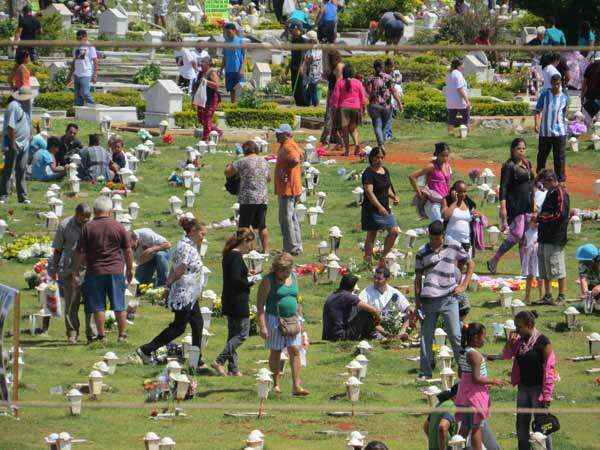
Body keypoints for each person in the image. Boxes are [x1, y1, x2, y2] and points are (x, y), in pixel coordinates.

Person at [137, 217, 208, 367]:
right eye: (202, 233)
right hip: (184, 294)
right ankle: (146, 350)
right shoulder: (186, 247)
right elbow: (180, 269)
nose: (204, 237)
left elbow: (173, 268)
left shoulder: (187, 244)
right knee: (178, 327)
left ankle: (197, 359)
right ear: (193, 231)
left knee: (198, 323)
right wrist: (168, 285)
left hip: (190, 294)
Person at [415, 221, 474, 379]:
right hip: (428, 299)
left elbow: (470, 263)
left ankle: (465, 372)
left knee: (455, 335)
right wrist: (417, 302)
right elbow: (418, 277)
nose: (434, 242)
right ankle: (425, 373)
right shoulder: (422, 252)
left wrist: (463, 285)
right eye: (432, 238)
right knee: (426, 337)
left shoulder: (453, 245)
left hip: (449, 297)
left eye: (437, 238)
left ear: (443, 236)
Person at [73, 196, 133, 343]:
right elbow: (128, 250)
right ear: (110, 211)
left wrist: (75, 270)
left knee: (98, 305)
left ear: (94, 210)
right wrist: (130, 269)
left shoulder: (88, 227)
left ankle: (101, 336)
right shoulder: (118, 226)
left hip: (95, 271)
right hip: (116, 270)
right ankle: (122, 335)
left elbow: (81, 252)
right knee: (119, 305)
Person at [502, 310, 556, 450]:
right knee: (521, 424)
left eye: (519, 327)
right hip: (523, 388)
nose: (516, 330)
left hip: (538, 390)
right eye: (516, 327)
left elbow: (550, 370)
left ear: (529, 325)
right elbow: (507, 356)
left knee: (542, 426)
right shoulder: (519, 342)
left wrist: (547, 394)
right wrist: (509, 343)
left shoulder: (543, 342)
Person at [257, 253, 308, 396]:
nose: (285, 274)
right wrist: (262, 325)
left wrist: (300, 318)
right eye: (281, 270)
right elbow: (260, 304)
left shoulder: (293, 277)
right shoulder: (268, 280)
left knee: (295, 350)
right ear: (275, 269)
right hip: (274, 319)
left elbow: (296, 299)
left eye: (287, 270)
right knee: (276, 351)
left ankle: (296, 385)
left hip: (292, 320)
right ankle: (276, 384)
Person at [212, 228, 257, 376]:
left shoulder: (229, 255)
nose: (251, 247)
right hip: (238, 300)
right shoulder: (236, 257)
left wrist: (247, 275)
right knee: (243, 334)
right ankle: (219, 361)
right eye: (250, 244)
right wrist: (252, 280)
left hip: (229, 299)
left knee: (232, 335)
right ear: (245, 241)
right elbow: (237, 281)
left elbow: (235, 276)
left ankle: (233, 369)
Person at [50, 203, 97, 344]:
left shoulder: (94, 224)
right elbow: (57, 249)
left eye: (89, 218)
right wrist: (54, 268)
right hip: (70, 270)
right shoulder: (65, 225)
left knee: (92, 303)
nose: (86, 220)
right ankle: (72, 333)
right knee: (71, 303)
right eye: (84, 218)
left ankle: (92, 334)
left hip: (90, 269)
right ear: (76, 214)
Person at [487, 138, 534, 274]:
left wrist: (534, 204)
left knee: (525, 238)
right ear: (513, 150)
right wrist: (503, 207)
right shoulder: (508, 166)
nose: (521, 151)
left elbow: (531, 185)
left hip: (527, 205)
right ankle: (494, 259)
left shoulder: (527, 163)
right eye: (519, 148)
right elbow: (504, 188)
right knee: (518, 233)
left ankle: (524, 269)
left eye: (523, 148)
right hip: (515, 204)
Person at [455, 323, 502, 450]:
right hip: (474, 395)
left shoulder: (464, 352)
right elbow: (476, 378)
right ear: (475, 337)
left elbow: (461, 374)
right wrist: (492, 381)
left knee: (465, 425)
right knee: (476, 427)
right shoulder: (474, 354)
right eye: (483, 336)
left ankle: (456, 446)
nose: (484, 339)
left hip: (464, 393)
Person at [225, 140, 271, 253]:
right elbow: (269, 178)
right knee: (262, 226)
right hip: (262, 198)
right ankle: (266, 250)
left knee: (244, 226)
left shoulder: (242, 161)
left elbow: (227, 172)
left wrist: (230, 165)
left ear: (245, 150)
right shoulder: (264, 161)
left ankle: (245, 249)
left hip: (247, 198)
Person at [536, 169, 570, 305]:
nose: (543, 186)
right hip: (544, 235)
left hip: (555, 236)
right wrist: (539, 218)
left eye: (544, 183)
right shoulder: (550, 192)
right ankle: (548, 295)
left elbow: (560, 214)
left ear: (551, 180)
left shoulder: (560, 193)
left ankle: (561, 295)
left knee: (557, 266)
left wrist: (542, 218)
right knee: (544, 266)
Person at [361, 147, 400, 265]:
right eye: (377, 157)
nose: (379, 160)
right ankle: (367, 261)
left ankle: (383, 257)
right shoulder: (368, 173)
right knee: (372, 235)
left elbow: (387, 188)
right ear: (372, 158)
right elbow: (369, 191)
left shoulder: (385, 171)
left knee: (394, 231)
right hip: (372, 209)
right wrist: (379, 207)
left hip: (385, 209)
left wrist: (394, 197)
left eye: (382, 157)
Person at [322, 274, 383, 341]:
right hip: (339, 336)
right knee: (365, 313)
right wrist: (378, 321)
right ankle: (372, 336)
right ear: (352, 287)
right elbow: (373, 310)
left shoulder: (333, 295)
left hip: (328, 336)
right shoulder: (347, 296)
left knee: (357, 309)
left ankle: (370, 335)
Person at [274, 124, 304, 256]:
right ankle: (296, 246)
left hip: (288, 188)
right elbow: (301, 154)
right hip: (290, 187)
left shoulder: (288, 145)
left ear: (286, 134)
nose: (276, 134)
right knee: (291, 218)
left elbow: (296, 159)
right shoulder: (289, 143)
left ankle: (290, 248)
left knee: (286, 218)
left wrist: (286, 170)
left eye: (279, 133)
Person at [534, 74, 569, 183]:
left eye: (558, 83)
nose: (557, 86)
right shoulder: (545, 95)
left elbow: (564, 113)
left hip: (559, 133)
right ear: (551, 84)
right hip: (545, 131)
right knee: (542, 156)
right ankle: (540, 178)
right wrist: (536, 124)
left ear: (561, 83)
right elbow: (538, 110)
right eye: (554, 84)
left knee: (559, 157)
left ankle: (560, 180)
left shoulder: (564, 98)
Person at [0, 87, 32, 204]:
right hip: (13, 143)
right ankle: (3, 195)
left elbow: (28, 122)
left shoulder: (26, 106)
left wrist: (30, 135)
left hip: (25, 143)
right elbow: (10, 127)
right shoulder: (13, 106)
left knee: (22, 169)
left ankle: (22, 197)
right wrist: (13, 144)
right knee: (8, 170)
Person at [358, 267, 411, 338]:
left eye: (379, 279)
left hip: (392, 321)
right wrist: (374, 310)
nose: (375, 280)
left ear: (387, 279)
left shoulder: (393, 292)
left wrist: (409, 311)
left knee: (408, 314)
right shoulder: (367, 291)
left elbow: (407, 307)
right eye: (375, 277)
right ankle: (387, 335)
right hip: (376, 322)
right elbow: (359, 303)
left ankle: (402, 332)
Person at [409, 143, 452, 223]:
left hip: (445, 201)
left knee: (445, 227)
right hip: (433, 202)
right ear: (437, 154)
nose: (445, 158)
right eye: (443, 156)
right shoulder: (431, 166)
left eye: (447, 156)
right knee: (438, 227)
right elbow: (412, 177)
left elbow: (448, 183)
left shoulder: (447, 165)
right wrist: (419, 194)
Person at [329, 64, 367, 156]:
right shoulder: (358, 82)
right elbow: (363, 97)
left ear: (344, 72)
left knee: (345, 130)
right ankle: (357, 144)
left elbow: (335, 97)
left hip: (344, 108)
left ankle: (347, 151)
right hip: (356, 107)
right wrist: (363, 109)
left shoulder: (340, 83)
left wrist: (333, 109)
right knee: (353, 129)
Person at [365, 60, 402, 148]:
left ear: (374, 67)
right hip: (386, 106)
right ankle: (382, 144)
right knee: (384, 127)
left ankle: (381, 145)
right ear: (382, 67)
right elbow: (393, 91)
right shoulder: (388, 77)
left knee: (377, 126)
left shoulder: (370, 78)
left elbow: (368, 92)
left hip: (374, 105)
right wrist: (399, 103)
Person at [192, 56, 222, 141]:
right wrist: (193, 100)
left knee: (207, 119)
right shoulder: (201, 73)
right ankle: (217, 131)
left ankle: (205, 140)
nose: (201, 64)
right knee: (201, 119)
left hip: (211, 99)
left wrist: (206, 81)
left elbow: (216, 85)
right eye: (201, 62)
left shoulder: (212, 72)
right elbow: (196, 87)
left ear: (208, 64)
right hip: (202, 99)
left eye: (203, 62)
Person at [442, 180, 477, 252]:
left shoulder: (467, 202)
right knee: (451, 263)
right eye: (460, 192)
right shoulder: (446, 200)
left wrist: (476, 215)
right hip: (451, 240)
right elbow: (445, 216)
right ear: (454, 191)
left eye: (464, 192)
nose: (463, 194)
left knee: (466, 262)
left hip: (466, 241)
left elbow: (472, 214)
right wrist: (455, 202)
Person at [320, 50, 344, 148]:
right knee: (330, 117)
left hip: (336, 94)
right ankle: (332, 138)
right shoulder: (334, 67)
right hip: (332, 92)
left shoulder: (339, 66)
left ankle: (328, 139)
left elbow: (339, 82)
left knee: (331, 117)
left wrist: (335, 97)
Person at [68, 30, 98, 107]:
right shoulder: (76, 47)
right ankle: (79, 112)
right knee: (77, 96)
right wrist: (70, 75)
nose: (79, 40)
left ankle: (94, 108)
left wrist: (95, 75)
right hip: (77, 74)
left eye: (80, 38)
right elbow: (74, 61)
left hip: (86, 73)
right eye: (77, 38)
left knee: (85, 93)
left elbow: (95, 61)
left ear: (85, 37)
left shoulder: (90, 47)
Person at [423, 384, 458, 450]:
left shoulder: (438, 405)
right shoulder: (452, 406)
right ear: (456, 396)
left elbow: (426, 426)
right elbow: (442, 427)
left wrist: (433, 441)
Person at [444, 58, 470, 134]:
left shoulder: (449, 73)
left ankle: (450, 134)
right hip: (459, 101)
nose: (464, 66)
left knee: (451, 119)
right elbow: (460, 89)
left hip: (450, 101)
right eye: (463, 64)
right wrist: (467, 101)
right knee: (466, 119)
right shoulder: (458, 74)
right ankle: (467, 135)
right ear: (459, 66)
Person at [222, 23, 245, 104]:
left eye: (229, 32)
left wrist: (242, 69)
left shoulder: (240, 41)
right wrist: (221, 69)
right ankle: (233, 106)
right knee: (231, 90)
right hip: (229, 70)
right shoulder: (225, 43)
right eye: (226, 32)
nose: (227, 34)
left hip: (238, 70)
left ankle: (240, 106)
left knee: (239, 89)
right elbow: (224, 57)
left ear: (234, 31)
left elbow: (244, 56)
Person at [522, 214, 541, 304]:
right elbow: (525, 242)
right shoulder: (527, 232)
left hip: (537, 256)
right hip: (529, 256)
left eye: (537, 222)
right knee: (529, 277)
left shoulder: (540, 232)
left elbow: (540, 241)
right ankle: (527, 297)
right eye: (534, 222)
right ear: (530, 223)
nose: (536, 224)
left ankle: (542, 296)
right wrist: (525, 247)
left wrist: (536, 243)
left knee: (539, 276)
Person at [576, 244, 600, 313]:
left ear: (594, 259)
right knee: (590, 294)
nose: (585, 263)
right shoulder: (583, 263)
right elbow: (583, 278)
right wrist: (585, 293)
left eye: (587, 262)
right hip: (595, 283)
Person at [301, 31, 322, 107]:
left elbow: (311, 58)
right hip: (313, 73)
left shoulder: (314, 48)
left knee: (313, 90)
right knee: (310, 89)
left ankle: (315, 105)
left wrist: (306, 61)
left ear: (311, 40)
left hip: (314, 73)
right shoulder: (315, 47)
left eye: (307, 40)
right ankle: (308, 104)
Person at [290, 22, 308, 107]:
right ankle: (297, 101)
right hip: (294, 65)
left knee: (301, 84)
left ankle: (303, 102)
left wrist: (302, 66)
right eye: (293, 29)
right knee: (294, 84)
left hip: (301, 65)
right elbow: (292, 54)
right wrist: (288, 66)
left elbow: (304, 55)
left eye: (296, 29)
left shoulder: (303, 41)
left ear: (300, 30)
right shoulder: (293, 41)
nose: (294, 30)